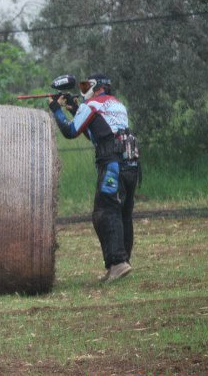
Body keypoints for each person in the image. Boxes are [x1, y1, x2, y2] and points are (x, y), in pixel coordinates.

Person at [48, 73, 140, 283]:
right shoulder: (118, 104)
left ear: (97, 87)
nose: (83, 88)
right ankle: (122, 262)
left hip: (112, 165)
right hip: (131, 165)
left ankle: (117, 263)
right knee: (123, 212)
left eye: (86, 85)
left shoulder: (91, 106)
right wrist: (74, 109)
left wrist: (56, 109)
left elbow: (71, 131)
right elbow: (97, 133)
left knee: (105, 213)